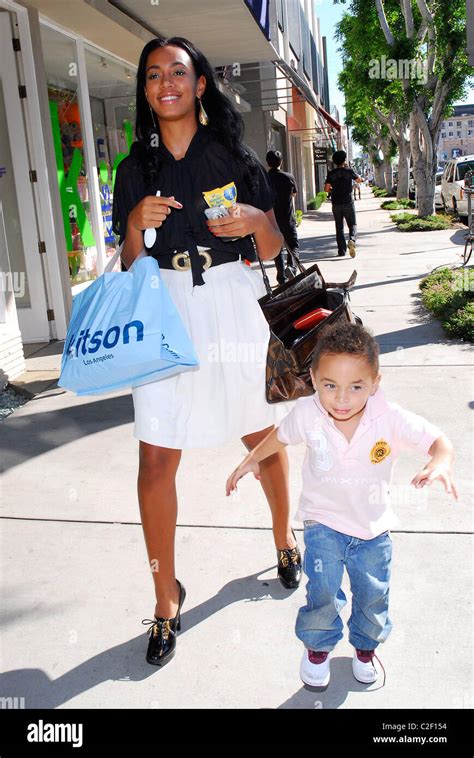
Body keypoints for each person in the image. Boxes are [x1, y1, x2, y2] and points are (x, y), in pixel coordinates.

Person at [111, 36, 302, 667]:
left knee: (259, 436)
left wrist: (256, 223)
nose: (165, 82)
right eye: (153, 75)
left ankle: (283, 537)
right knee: (155, 459)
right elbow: (130, 263)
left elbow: (274, 247)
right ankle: (166, 595)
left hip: (230, 300)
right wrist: (136, 223)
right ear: (146, 90)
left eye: (178, 72)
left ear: (199, 85)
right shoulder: (134, 168)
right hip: (165, 307)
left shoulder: (233, 153)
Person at [226, 322, 457, 687]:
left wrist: (440, 461)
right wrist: (253, 458)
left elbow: (439, 441)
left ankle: (365, 649)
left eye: (356, 386)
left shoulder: (390, 418)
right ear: (314, 379)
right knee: (322, 593)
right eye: (330, 385)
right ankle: (318, 648)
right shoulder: (307, 413)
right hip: (323, 525)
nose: (342, 398)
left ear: (375, 383)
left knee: (372, 597)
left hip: (373, 530)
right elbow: (279, 436)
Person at [266, 150, 299, 285]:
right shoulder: (288, 177)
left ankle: (281, 278)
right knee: (293, 246)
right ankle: (291, 268)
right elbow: (294, 194)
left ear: (267, 163)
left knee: (278, 249)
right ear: (281, 162)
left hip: (272, 220)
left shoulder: (265, 179)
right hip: (288, 218)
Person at [324, 150, 362, 258]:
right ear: (344, 159)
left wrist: (333, 189)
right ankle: (352, 240)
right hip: (348, 202)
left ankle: (341, 251)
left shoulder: (331, 174)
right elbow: (359, 180)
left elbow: (326, 189)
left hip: (336, 203)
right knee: (352, 225)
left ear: (334, 161)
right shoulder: (349, 171)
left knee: (339, 227)